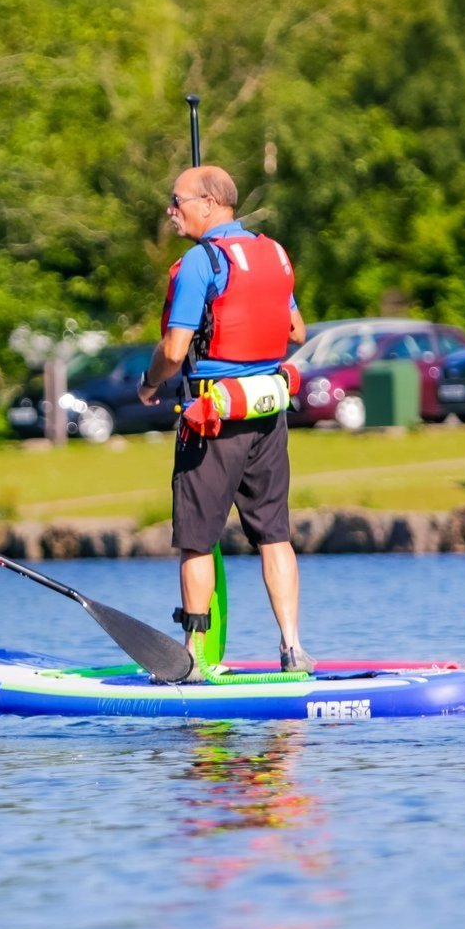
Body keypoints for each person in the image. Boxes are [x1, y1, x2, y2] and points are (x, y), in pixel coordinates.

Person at [136, 164, 310, 676]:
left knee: (197, 538)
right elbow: (296, 330)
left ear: (209, 204)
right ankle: (293, 648)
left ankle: (190, 657)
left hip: (211, 417)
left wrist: (149, 383)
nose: (171, 210)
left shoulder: (198, 263)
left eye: (177, 200)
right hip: (266, 413)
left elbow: (174, 349)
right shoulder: (274, 254)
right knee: (274, 534)